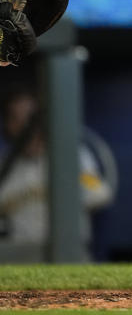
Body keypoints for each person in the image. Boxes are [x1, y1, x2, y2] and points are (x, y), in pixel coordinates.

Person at [0, 86, 113, 260]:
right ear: (8, 124)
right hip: (19, 253)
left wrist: (61, 192)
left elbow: (99, 193)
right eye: (16, 118)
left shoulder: (72, 157)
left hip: (68, 252)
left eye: (29, 117)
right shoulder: (6, 165)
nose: (24, 124)